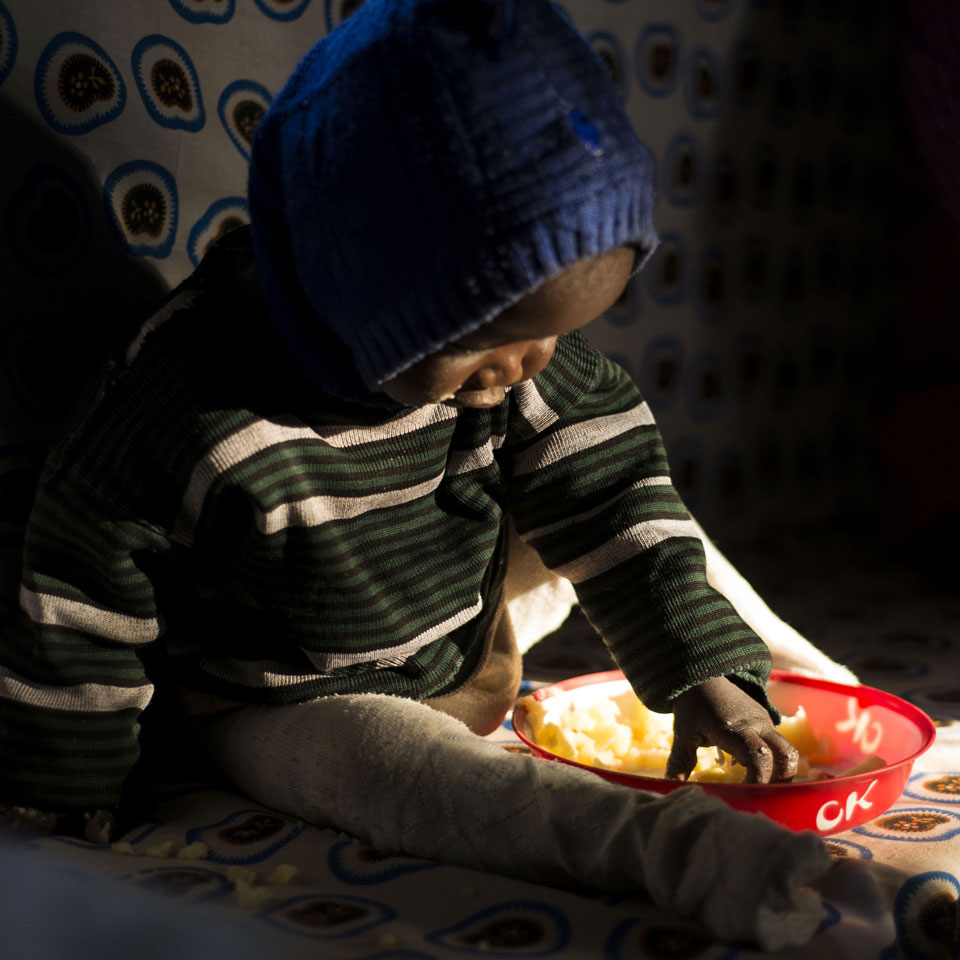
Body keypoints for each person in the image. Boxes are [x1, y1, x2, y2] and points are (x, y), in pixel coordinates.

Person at [0, 0, 850, 948]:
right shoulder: (184, 412)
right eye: (487, 341)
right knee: (386, 767)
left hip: (465, 615)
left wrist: (696, 672)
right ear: (360, 279)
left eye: (551, 334)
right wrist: (66, 785)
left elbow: (611, 494)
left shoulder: (515, 362)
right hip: (286, 692)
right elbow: (78, 596)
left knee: (625, 490)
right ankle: (672, 854)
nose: (525, 365)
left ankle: (779, 688)